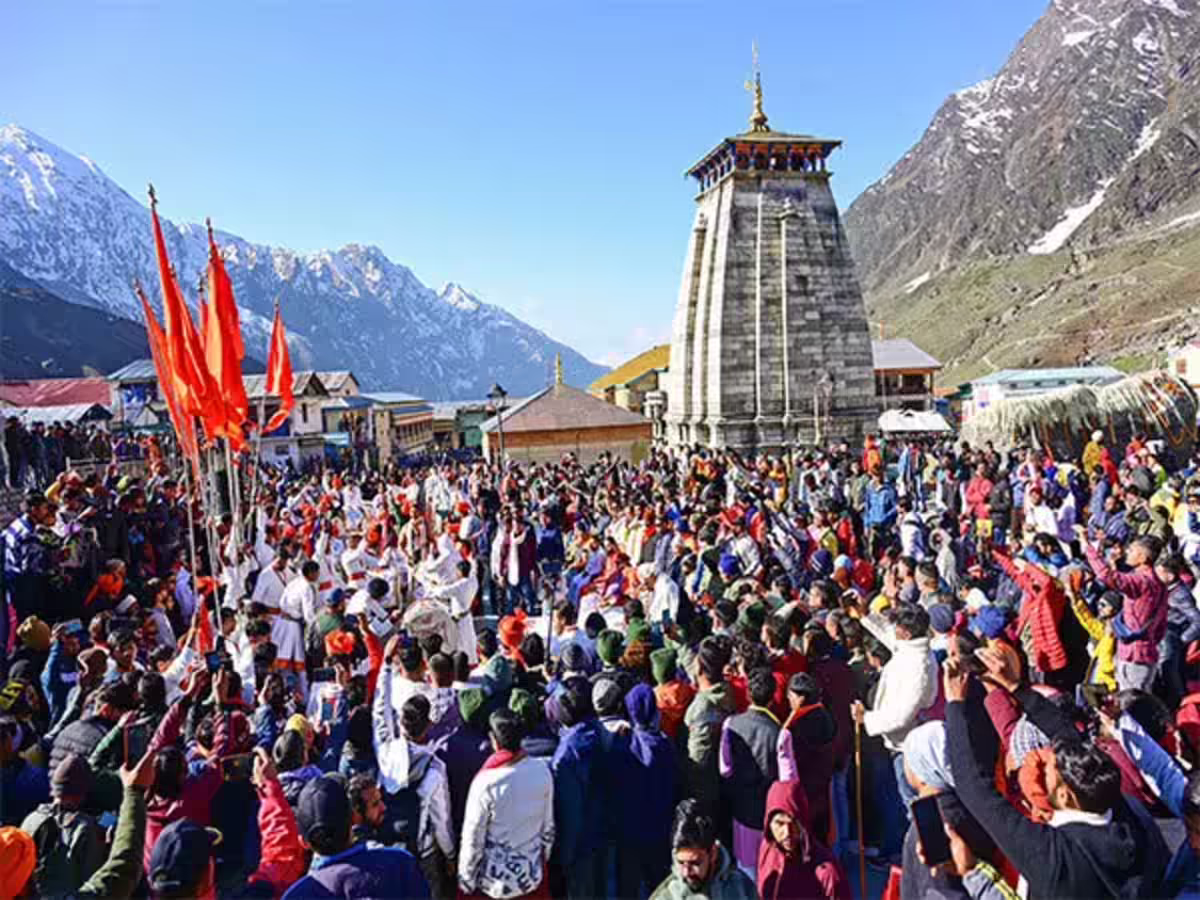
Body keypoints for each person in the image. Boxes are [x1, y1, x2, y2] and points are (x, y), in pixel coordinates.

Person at [458, 708, 555, 900]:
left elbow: (472, 838)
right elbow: (548, 828)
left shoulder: (485, 783)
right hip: (531, 877)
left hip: (495, 885)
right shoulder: (542, 770)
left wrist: (466, 881)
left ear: (493, 740)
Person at [283, 775, 432, 898]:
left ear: (303, 843)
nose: (383, 807)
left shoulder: (298, 895)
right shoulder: (400, 864)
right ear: (354, 819)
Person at [756, 779, 849, 900]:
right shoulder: (767, 850)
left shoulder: (827, 874)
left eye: (794, 823)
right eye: (779, 823)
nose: (787, 833)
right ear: (769, 824)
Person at [649, 798, 757, 900]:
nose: (686, 872)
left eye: (695, 863)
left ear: (713, 853)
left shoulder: (742, 888)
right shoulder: (666, 896)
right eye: (681, 863)